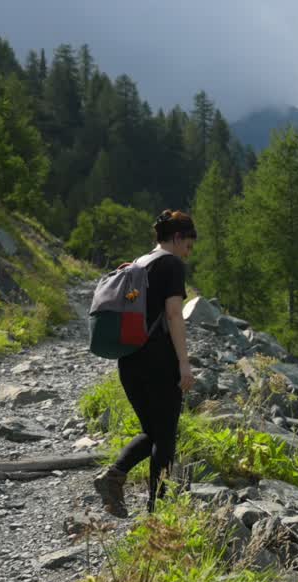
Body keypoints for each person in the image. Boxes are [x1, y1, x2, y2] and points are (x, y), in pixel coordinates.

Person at [93, 210, 197, 517]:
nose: (188, 254)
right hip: (159, 360)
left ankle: (113, 477)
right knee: (165, 438)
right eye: (188, 246)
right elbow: (175, 315)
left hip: (128, 359)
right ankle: (158, 511)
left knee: (154, 432)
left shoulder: (138, 264)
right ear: (177, 238)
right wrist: (184, 364)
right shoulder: (171, 264)